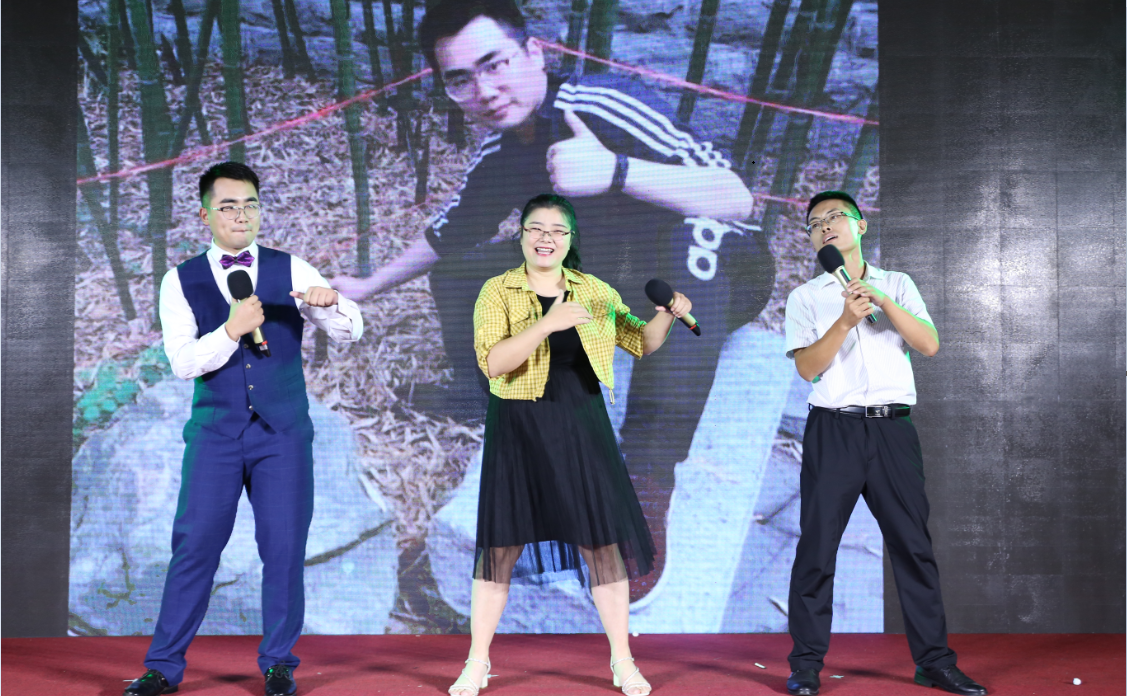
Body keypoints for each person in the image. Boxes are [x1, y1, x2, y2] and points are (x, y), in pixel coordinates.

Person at [334, 0, 775, 599]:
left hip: (715, 272)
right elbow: (447, 235)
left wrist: (615, 170)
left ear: (534, 53)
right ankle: (478, 390)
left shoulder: (602, 106)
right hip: (621, 283)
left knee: (691, 236)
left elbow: (736, 198)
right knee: (466, 268)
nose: (485, 90)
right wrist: (367, 287)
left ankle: (646, 478)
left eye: (495, 64)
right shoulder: (501, 152)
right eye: (460, 79)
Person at [123, 162, 364, 696]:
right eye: (228, 206)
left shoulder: (291, 266)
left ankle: (278, 664)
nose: (241, 215)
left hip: (283, 434)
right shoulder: (179, 280)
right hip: (216, 434)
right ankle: (163, 667)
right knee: (195, 547)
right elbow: (183, 362)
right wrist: (230, 331)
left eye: (250, 204)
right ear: (205, 214)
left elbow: (349, 332)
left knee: (283, 549)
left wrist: (333, 305)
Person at [447, 193, 689, 696]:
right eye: (536, 228)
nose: (546, 239)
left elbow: (640, 342)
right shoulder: (498, 291)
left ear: (571, 239)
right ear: (521, 235)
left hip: (581, 427)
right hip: (519, 427)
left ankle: (623, 662)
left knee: (602, 545)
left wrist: (667, 314)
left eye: (558, 231)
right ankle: (477, 663)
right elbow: (492, 363)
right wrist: (546, 324)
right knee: (500, 548)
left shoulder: (593, 291)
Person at [782, 191, 986, 696]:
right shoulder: (805, 297)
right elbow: (808, 368)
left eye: (835, 217)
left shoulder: (897, 284)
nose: (825, 227)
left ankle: (933, 663)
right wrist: (845, 320)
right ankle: (805, 666)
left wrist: (882, 302)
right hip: (834, 429)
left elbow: (929, 344)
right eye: (815, 223)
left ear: (861, 225)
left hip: (893, 430)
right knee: (816, 549)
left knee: (913, 547)